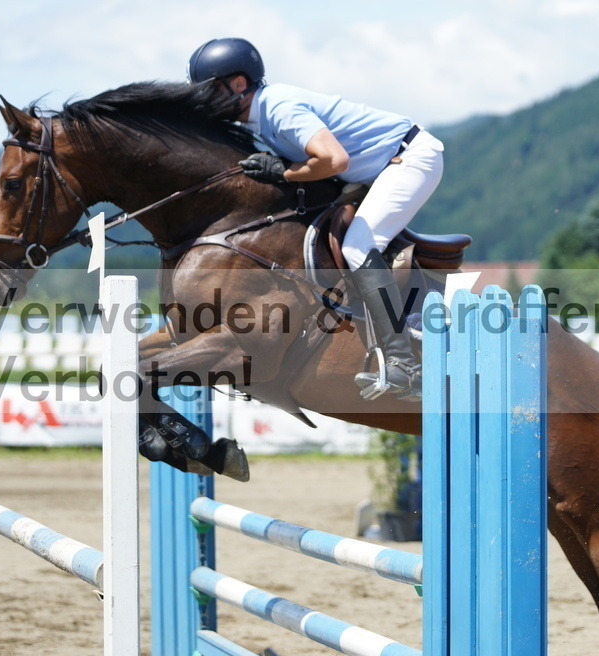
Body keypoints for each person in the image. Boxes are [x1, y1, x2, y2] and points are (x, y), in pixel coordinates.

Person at [187, 37, 444, 401]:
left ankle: (406, 364)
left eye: (210, 90)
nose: (203, 101)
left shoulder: (277, 107)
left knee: (358, 247)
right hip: (372, 169)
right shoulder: (254, 120)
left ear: (239, 84)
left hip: (409, 158)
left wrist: (285, 172)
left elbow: (334, 160)